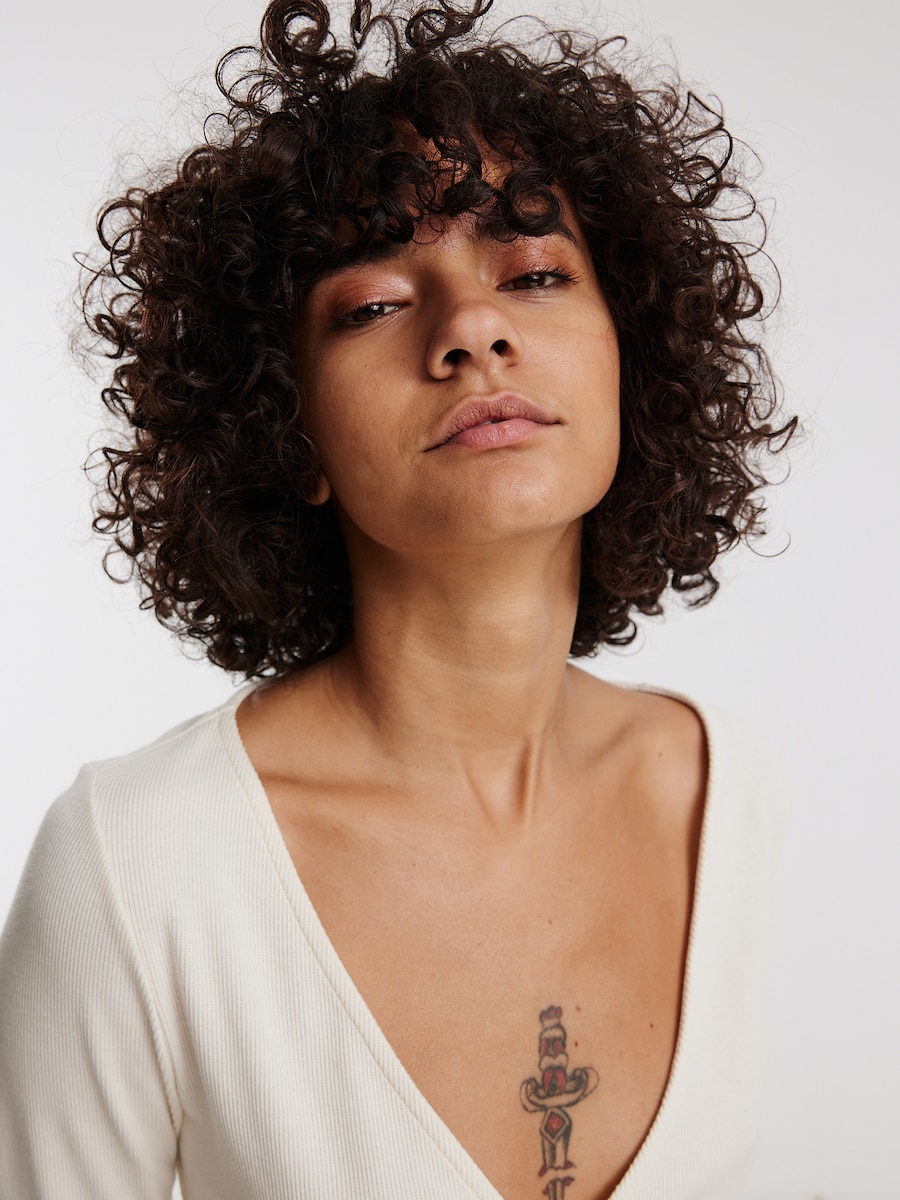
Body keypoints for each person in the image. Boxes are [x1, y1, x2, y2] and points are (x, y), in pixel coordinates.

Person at [0, 0, 795, 1196]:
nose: (472, 326)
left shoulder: (723, 788)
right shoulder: (135, 862)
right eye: (372, 305)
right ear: (286, 428)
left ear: (634, 356)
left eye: (536, 272)